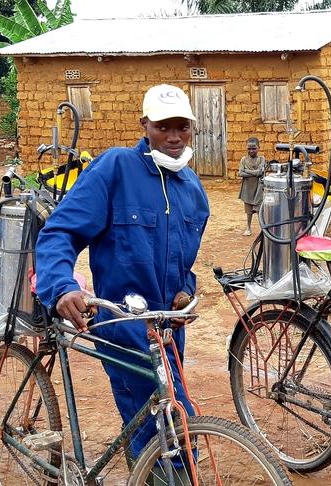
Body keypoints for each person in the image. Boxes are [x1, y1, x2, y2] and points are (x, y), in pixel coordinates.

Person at [35, 84, 210, 468]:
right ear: (145, 124)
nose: (175, 136)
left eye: (183, 127)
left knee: (170, 416)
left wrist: (185, 289)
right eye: (164, 126)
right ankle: (159, 475)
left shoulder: (194, 191)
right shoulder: (115, 168)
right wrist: (61, 285)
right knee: (164, 424)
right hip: (122, 322)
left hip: (167, 326)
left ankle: (150, 471)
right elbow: (61, 232)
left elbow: (185, 264)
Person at [237, 137, 265, 236]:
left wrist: (247, 171)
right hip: (247, 189)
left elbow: (260, 172)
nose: (251, 151)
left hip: (258, 189)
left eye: (254, 148)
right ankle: (248, 227)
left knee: (259, 210)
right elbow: (240, 173)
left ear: (258, 148)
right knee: (248, 211)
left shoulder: (262, 159)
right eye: (249, 148)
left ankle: (263, 229)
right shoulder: (244, 160)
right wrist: (254, 173)